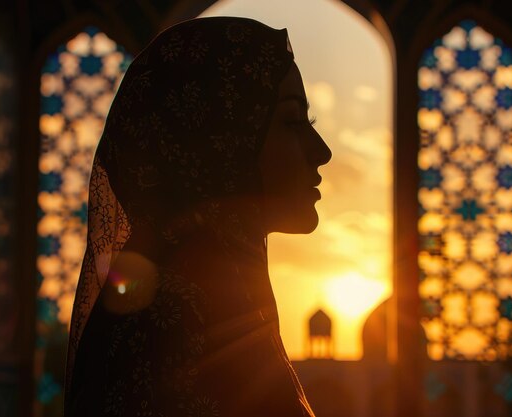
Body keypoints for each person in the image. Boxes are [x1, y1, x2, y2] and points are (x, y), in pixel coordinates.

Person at [64, 16, 331, 417]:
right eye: (293, 121)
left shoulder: (211, 300)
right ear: (218, 144)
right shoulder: (170, 323)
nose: (321, 150)